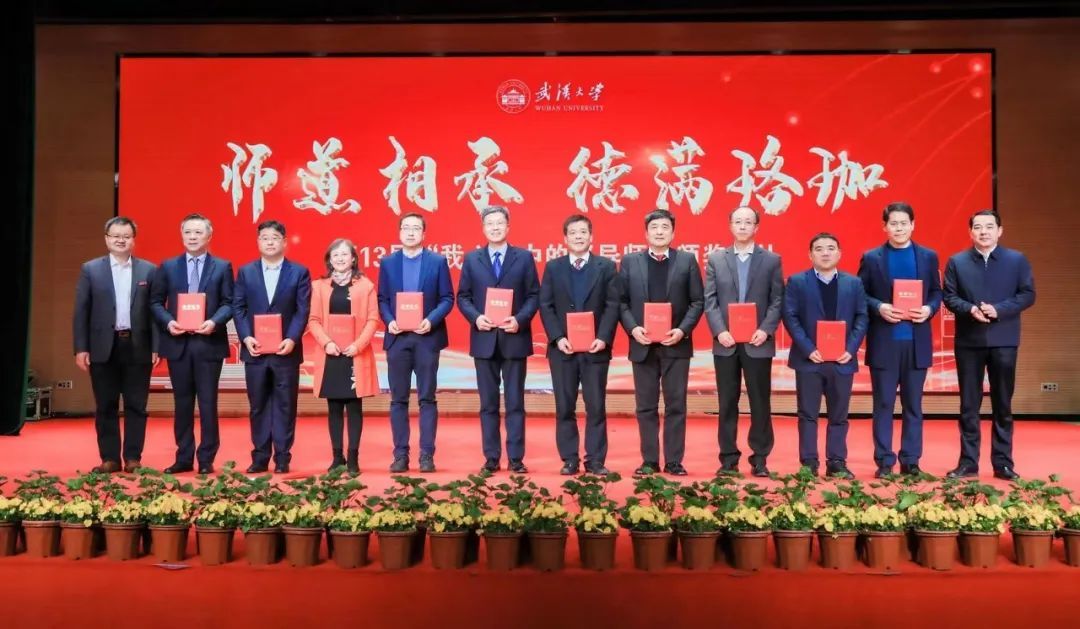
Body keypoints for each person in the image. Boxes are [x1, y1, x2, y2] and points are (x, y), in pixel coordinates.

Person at [943, 209, 1035, 480]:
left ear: (1000, 231)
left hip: (1004, 340)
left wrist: (999, 309)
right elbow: (949, 296)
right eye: (978, 227)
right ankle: (968, 462)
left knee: (1002, 404)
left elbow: (1028, 294)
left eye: (989, 227)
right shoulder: (957, 261)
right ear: (970, 232)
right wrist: (970, 309)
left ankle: (1003, 463)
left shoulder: (1016, 260)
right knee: (968, 405)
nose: (983, 232)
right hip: (969, 342)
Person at [857, 202, 942, 478]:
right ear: (885, 227)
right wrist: (880, 307)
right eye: (893, 223)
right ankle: (884, 460)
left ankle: (911, 460)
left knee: (913, 405)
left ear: (913, 225)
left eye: (904, 223)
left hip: (916, 343)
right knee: (883, 404)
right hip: (885, 342)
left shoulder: (928, 256)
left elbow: (937, 292)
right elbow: (860, 294)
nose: (899, 228)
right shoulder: (872, 258)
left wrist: (929, 309)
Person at [618, 208, 704, 477]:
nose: (659, 232)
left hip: (676, 344)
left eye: (665, 227)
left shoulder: (687, 260)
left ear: (673, 233)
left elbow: (697, 301)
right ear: (646, 233)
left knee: (676, 405)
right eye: (654, 227)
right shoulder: (630, 261)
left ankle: (674, 461)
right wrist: (633, 329)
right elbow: (621, 301)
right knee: (645, 406)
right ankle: (650, 460)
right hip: (642, 344)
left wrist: (682, 330)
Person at [456, 206, 540, 474]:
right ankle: (491, 457)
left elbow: (534, 295)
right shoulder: (472, 259)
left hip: (515, 338)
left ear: (508, 227)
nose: (495, 228)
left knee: (515, 402)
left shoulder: (523, 258)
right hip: (484, 339)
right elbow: (463, 297)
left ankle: (516, 458)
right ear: (483, 228)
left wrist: (520, 319)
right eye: (490, 223)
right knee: (488, 404)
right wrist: (476, 318)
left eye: (499, 223)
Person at [149, 213, 234, 475]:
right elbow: (155, 302)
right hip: (179, 344)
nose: (193, 237)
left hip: (208, 343)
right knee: (182, 403)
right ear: (182, 235)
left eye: (198, 232)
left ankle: (206, 458)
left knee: (208, 403)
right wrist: (168, 322)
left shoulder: (222, 266)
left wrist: (214, 322)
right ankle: (183, 456)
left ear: (209, 236)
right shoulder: (168, 266)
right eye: (188, 232)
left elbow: (229, 302)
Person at [73, 216, 158, 473]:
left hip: (138, 346)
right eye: (116, 236)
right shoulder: (91, 269)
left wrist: (156, 346)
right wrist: (81, 348)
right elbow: (81, 311)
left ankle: (133, 458)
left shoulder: (149, 270)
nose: (121, 240)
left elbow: (155, 312)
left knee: (136, 405)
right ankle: (109, 458)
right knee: (105, 405)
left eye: (126, 236)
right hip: (102, 347)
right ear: (107, 239)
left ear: (133, 240)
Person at [703, 206, 784, 478]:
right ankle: (728, 458)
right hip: (725, 343)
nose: (742, 226)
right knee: (727, 402)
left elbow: (777, 300)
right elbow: (710, 300)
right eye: (737, 221)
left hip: (757, 342)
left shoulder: (771, 260)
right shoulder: (716, 259)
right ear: (730, 225)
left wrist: (765, 329)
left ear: (756, 227)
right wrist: (719, 331)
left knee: (760, 402)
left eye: (748, 222)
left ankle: (760, 458)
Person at [538, 214, 620, 475]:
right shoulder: (554, 267)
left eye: (583, 232)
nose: (578, 237)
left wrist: (603, 337)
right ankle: (569, 458)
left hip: (596, 349)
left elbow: (612, 305)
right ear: (565, 238)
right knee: (565, 406)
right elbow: (546, 305)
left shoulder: (606, 266)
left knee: (596, 406)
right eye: (573, 232)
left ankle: (595, 460)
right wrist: (557, 337)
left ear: (591, 236)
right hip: (563, 349)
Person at [782, 232, 869, 479]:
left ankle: (837, 462)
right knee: (807, 414)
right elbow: (790, 316)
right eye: (819, 249)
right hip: (809, 360)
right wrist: (808, 348)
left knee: (839, 416)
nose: (825, 253)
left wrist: (850, 349)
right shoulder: (797, 282)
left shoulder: (853, 283)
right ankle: (809, 463)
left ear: (839, 253)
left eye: (831, 248)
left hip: (842, 360)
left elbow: (862, 317)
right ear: (810, 255)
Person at [377, 213, 454, 473]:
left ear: (424, 233)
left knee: (427, 398)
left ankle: (426, 455)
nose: (411, 233)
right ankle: (400, 455)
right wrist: (389, 321)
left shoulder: (437, 261)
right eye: (406, 228)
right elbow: (382, 299)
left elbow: (447, 298)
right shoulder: (388, 263)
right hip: (398, 339)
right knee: (398, 399)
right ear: (399, 232)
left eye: (416, 228)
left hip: (426, 339)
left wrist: (430, 321)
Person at [233, 220, 312, 474]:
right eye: (264, 237)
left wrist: (292, 338)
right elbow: (238, 307)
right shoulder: (246, 272)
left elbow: (302, 310)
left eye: (275, 237)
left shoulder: (299, 272)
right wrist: (246, 337)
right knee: (258, 405)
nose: (269, 242)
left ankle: (282, 456)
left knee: (285, 405)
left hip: (285, 350)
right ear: (258, 242)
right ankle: (260, 456)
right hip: (255, 350)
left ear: (284, 242)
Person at [307, 239, 379, 474]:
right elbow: (313, 320)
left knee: (354, 407)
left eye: (344, 254)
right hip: (331, 354)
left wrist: (358, 345)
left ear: (353, 259)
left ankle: (354, 457)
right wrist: (327, 343)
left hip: (355, 354)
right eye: (335, 255)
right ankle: (337, 457)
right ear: (329, 260)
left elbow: (373, 319)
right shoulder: (319, 286)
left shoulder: (365, 286)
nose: (339, 258)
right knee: (334, 407)